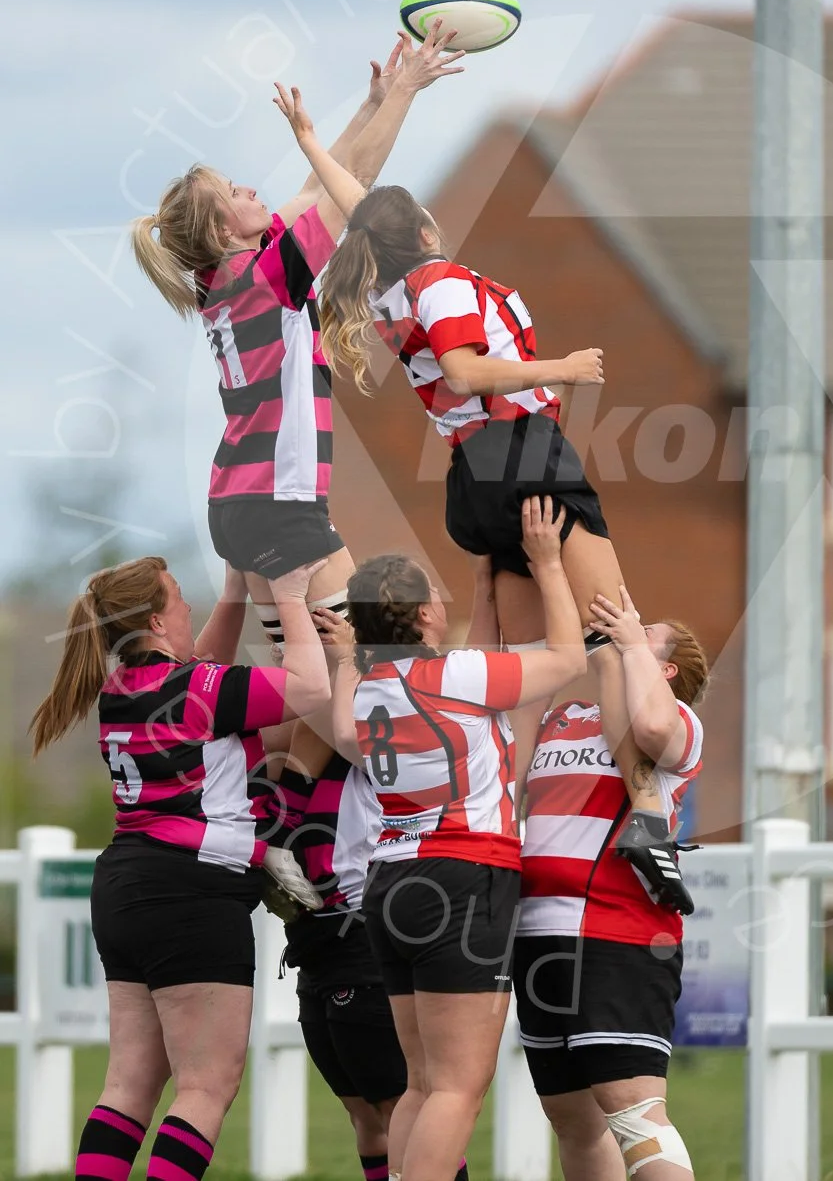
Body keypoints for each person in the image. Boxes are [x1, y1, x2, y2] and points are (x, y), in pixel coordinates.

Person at [317, 183, 692, 909]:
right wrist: (563, 370)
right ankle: (647, 816)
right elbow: (463, 369)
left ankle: (504, 814)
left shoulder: (392, 288)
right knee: (618, 635)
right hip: (523, 454)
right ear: (425, 229)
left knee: (526, 671)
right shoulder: (441, 283)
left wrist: (317, 137)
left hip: (473, 477)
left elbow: (366, 208)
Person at [130, 30, 463, 650]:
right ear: (218, 228)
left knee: (307, 673)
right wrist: (409, 92)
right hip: (280, 503)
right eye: (234, 193)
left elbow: (324, 185)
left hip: (240, 500)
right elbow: (350, 199)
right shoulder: (266, 277)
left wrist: (375, 102)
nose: (250, 190)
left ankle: (274, 750)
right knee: (369, 656)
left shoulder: (227, 276)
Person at [30, 555, 332, 1181]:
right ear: (156, 620)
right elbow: (311, 687)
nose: (187, 605)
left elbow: (198, 669)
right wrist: (291, 596)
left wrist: (231, 590)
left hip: (125, 887)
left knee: (128, 1087)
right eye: (177, 596)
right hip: (189, 895)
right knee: (205, 1088)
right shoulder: (199, 692)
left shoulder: (122, 690)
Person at [341, 497, 588, 1181]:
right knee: (457, 1088)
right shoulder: (452, 678)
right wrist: (546, 565)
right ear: (422, 616)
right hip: (461, 876)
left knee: (422, 1085)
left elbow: (469, 672)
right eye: (437, 597)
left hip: (392, 882)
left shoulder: (371, 686)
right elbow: (567, 657)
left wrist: (483, 589)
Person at [514, 585, 707, 1181]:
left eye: (646, 631)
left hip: (615, 934)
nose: (628, 623)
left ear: (665, 667)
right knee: (573, 1119)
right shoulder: (570, 716)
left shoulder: (679, 722)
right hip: (538, 934)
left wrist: (625, 650)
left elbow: (649, 724)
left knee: (634, 1114)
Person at [274, 638, 469, 1181]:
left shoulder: (374, 733)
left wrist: (335, 660)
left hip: (365, 929)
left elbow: (327, 710)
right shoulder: (310, 749)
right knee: (365, 1115)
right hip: (319, 940)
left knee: (399, 1103)